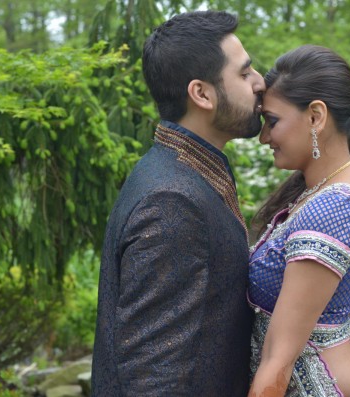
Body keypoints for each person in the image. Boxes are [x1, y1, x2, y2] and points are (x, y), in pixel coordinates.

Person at [91, 11, 265, 396]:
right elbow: (152, 378)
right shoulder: (172, 201)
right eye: (245, 73)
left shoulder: (184, 171)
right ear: (201, 93)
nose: (260, 83)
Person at [247, 45, 350, 397]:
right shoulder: (336, 188)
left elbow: (279, 361)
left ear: (316, 116)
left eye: (272, 121)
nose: (263, 137)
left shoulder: (332, 209)